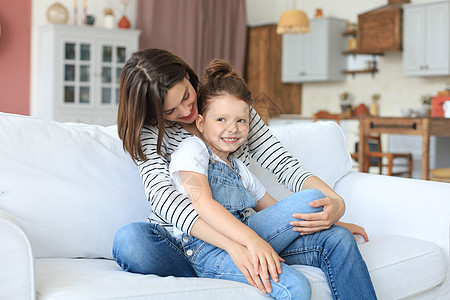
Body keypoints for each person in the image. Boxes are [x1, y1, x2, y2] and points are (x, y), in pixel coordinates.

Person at [112, 48, 374, 297]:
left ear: (185, 74)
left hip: (242, 227)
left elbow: (282, 165)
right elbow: (168, 199)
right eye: (169, 111)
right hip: (190, 241)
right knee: (131, 240)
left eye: (185, 97)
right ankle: (218, 267)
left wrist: (336, 207)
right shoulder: (163, 139)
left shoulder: (228, 104)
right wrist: (236, 246)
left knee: (336, 236)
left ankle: (225, 268)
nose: (186, 112)